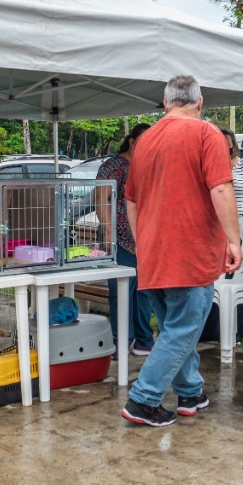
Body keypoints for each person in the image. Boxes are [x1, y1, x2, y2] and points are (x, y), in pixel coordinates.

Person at [121, 76, 241, 427]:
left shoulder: (142, 140)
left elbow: (131, 200)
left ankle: (191, 392)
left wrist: (142, 241)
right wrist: (233, 240)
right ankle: (143, 400)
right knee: (183, 329)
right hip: (190, 251)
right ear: (200, 102)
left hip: (152, 252)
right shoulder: (207, 134)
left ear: (165, 102)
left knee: (175, 328)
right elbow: (220, 189)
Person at [96, 123, 155, 355]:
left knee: (145, 292)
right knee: (121, 292)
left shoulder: (149, 164)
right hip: (120, 240)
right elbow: (101, 196)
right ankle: (120, 340)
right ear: (131, 142)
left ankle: (144, 339)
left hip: (146, 240)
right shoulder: (113, 166)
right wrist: (108, 230)